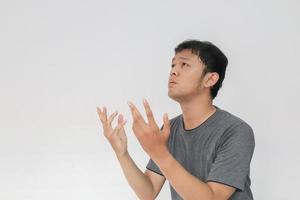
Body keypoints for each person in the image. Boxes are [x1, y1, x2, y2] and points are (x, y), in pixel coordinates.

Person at [96, 39, 255, 200]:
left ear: (210, 79)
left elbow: (212, 198)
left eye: (184, 65)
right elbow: (148, 192)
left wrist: (159, 152)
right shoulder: (170, 129)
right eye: (173, 65)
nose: (173, 71)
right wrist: (122, 153)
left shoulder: (236, 131)